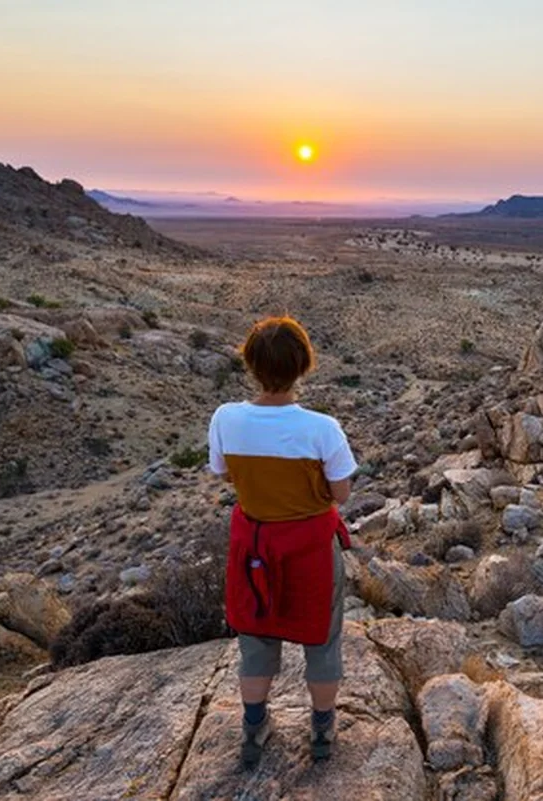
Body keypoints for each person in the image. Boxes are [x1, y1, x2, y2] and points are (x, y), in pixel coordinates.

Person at [207, 316, 357, 769]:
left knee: (255, 641)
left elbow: (223, 473)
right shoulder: (323, 428)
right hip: (311, 550)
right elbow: (341, 494)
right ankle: (323, 731)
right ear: (303, 366)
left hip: (254, 548)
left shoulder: (226, 418)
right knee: (322, 642)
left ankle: (253, 730)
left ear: (251, 365)